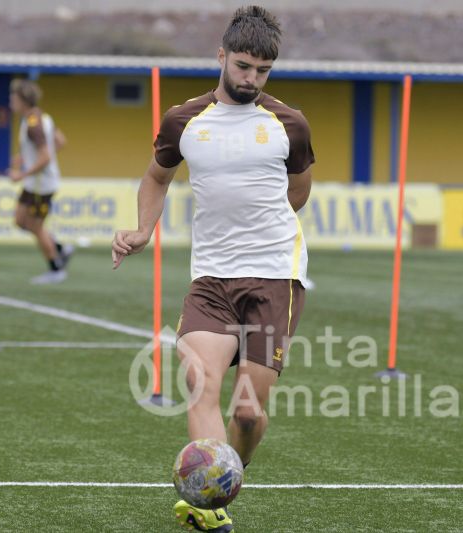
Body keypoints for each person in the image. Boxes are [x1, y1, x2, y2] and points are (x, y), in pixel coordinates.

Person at [111, 5, 314, 531]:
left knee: (247, 413)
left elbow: (299, 191)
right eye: (243, 66)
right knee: (200, 381)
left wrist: (262, 232)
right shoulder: (184, 120)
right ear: (221, 56)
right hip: (210, 279)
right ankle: (211, 504)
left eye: (262, 71)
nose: (251, 79)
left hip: (274, 274)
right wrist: (142, 230)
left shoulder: (289, 124)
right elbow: (155, 179)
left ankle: (228, 473)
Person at [8, 78, 73, 284]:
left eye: (14, 96)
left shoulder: (33, 125)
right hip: (35, 183)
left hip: (40, 185)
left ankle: (56, 268)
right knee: (20, 220)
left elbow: (45, 157)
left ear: (23, 100)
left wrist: (22, 173)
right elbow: (60, 141)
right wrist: (24, 158)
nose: (11, 100)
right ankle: (61, 248)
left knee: (35, 226)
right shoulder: (42, 117)